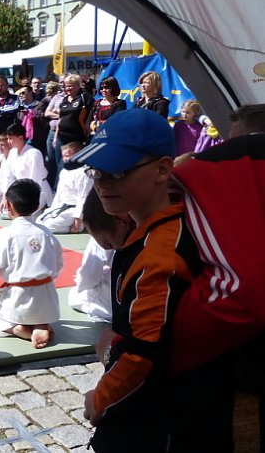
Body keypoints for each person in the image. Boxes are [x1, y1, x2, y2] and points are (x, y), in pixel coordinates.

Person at [74, 109, 234, 452]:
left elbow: (142, 355)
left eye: (116, 171)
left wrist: (98, 400)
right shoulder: (166, 223)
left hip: (161, 420)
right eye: (96, 170)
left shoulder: (160, 252)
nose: (102, 182)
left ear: (162, 170)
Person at [0, 179, 64, 349]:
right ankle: (41, 324)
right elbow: (58, 264)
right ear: (38, 204)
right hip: (47, 300)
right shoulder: (47, 233)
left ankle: (17, 328)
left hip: (17, 300)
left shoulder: (4, 235)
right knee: (37, 305)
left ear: (9, 206)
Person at [68, 189, 134, 323]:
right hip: (126, 305)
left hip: (115, 307)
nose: (113, 248)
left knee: (75, 296)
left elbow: (89, 277)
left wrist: (80, 284)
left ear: (122, 219)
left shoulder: (97, 242)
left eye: (108, 244)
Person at [0, 123, 54, 218]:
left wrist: (26, 200)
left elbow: (35, 181)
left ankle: (42, 209)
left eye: (11, 138)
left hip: (38, 192)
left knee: (22, 214)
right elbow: (8, 177)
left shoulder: (34, 154)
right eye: (8, 138)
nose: (8, 141)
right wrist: (5, 198)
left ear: (20, 138)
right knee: (4, 213)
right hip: (21, 191)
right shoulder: (12, 153)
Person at [37, 141, 92, 233]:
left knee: (49, 226)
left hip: (75, 210)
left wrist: (78, 219)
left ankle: (82, 225)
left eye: (67, 156)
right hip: (63, 206)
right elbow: (59, 193)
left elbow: (83, 198)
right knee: (39, 221)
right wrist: (52, 208)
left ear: (77, 155)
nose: (64, 159)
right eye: (63, 156)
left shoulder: (83, 173)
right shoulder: (64, 172)